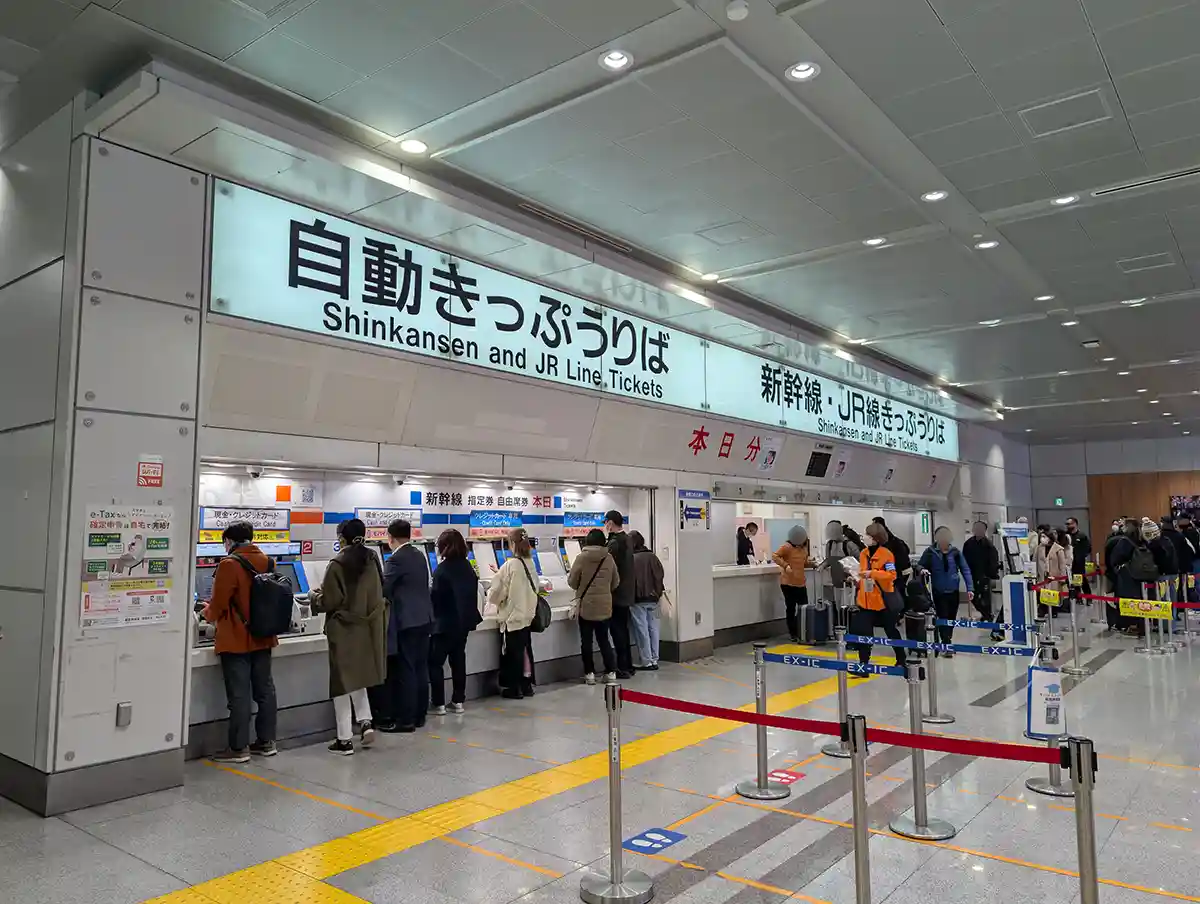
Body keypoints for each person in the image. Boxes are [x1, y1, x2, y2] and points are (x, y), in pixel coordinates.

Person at [309, 519, 387, 755]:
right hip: (368, 627)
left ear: (341, 537)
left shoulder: (337, 564)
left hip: (343, 630)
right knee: (358, 676)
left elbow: (330, 601)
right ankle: (365, 722)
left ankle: (344, 739)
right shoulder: (372, 559)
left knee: (341, 683)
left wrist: (314, 596)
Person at [205, 521, 278, 763]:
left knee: (239, 695)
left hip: (236, 639)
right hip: (264, 636)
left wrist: (205, 612)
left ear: (230, 541)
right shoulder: (267, 561)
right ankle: (266, 742)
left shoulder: (229, 564)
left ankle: (238, 748)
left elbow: (218, 605)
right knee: (265, 691)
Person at [381, 519, 434, 732]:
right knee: (421, 668)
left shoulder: (396, 559)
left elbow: (384, 588)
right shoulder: (419, 555)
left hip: (407, 621)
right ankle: (420, 715)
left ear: (390, 537)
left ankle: (406, 720)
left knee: (407, 670)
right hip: (424, 618)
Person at [428, 529, 482, 715]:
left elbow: (434, 599)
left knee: (435, 663)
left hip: (443, 625)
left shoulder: (441, 570)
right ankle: (458, 701)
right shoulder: (468, 567)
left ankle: (438, 704)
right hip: (463, 623)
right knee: (458, 660)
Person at [488, 527, 540, 698]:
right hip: (527, 615)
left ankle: (513, 688)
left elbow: (496, 594)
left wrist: (496, 578)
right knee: (525, 651)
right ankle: (527, 686)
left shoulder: (510, 565)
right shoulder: (530, 562)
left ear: (511, 543)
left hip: (512, 617)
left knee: (513, 654)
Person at [849, 523, 906, 675]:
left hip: (883, 602)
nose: (865, 537)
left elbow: (891, 575)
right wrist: (856, 578)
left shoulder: (886, 555)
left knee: (891, 631)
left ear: (875, 538)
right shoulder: (863, 553)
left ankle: (901, 660)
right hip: (865, 601)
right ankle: (863, 666)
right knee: (864, 634)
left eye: (868, 535)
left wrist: (872, 573)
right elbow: (862, 573)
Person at [568, 528, 619, 684]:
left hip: (586, 607)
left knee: (587, 641)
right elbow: (616, 582)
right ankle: (610, 672)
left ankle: (589, 673)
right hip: (604, 606)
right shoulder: (609, 558)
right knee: (604, 640)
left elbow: (572, 581)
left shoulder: (581, 558)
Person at [918, 526, 974, 654]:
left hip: (953, 591)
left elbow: (965, 569)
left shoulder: (955, 552)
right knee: (942, 616)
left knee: (951, 618)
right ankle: (946, 643)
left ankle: (947, 639)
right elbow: (920, 565)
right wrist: (922, 570)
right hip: (938, 591)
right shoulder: (930, 552)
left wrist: (970, 588)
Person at [605, 511, 637, 679]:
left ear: (610, 523)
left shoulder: (614, 543)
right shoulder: (628, 539)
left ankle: (622, 667)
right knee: (623, 630)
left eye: (606, 522)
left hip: (616, 594)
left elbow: (608, 566)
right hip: (626, 593)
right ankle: (628, 665)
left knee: (617, 631)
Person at [630, 530, 665, 671]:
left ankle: (646, 661)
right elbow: (660, 575)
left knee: (641, 630)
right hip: (653, 598)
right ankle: (655, 658)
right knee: (653, 628)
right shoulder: (652, 556)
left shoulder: (632, 559)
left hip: (638, 599)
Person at [963, 521, 1003, 641]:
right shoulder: (968, 544)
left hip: (984, 575)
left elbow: (993, 560)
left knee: (985, 597)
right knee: (974, 597)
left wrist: (991, 574)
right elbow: (964, 559)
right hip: (972, 575)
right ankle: (985, 613)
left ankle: (987, 615)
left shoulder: (988, 545)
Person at [771, 525, 811, 642]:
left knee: (804, 608)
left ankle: (802, 630)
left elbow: (803, 563)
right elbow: (775, 556)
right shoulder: (787, 547)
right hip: (788, 583)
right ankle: (793, 633)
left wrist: (812, 563)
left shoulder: (803, 549)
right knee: (791, 608)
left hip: (801, 582)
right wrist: (786, 565)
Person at [872, 517, 912, 599]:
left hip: (896, 573)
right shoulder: (894, 539)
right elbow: (907, 550)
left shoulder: (886, 542)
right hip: (902, 571)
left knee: (894, 596)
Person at [1035, 528, 1069, 617]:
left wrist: (1062, 578)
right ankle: (1042, 610)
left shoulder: (1058, 549)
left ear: (1050, 537)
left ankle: (1054, 611)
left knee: (1053, 593)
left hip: (1054, 576)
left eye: (1044, 536)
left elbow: (1062, 565)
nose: (1042, 538)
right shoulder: (1039, 548)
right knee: (1042, 593)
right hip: (1042, 576)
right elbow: (1034, 561)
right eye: (1041, 536)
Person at [1065, 517, 1092, 601]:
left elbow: (1088, 548)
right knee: (1072, 581)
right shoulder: (1066, 536)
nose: (1068, 526)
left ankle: (1089, 598)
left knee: (1082, 580)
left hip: (1079, 562)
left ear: (1075, 524)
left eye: (1070, 524)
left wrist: (1082, 556)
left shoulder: (1082, 535)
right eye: (1067, 524)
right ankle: (1078, 598)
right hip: (1069, 562)